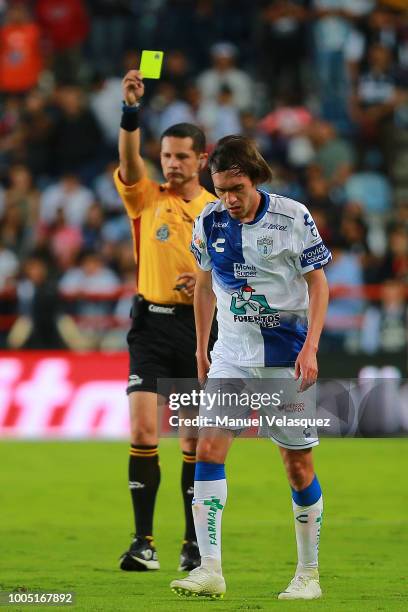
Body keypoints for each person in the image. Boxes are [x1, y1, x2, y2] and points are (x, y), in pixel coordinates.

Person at [170, 135, 331, 600]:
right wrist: (203, 348)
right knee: (208, 450)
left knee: (297, 465)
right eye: (221, 189)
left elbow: (318, 286)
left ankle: (308, 575)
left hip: (286, 357)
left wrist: (311, 348)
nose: (229, 199)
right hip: (232, 356)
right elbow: (202, 286)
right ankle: (211, 570)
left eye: (237, 188)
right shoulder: (208, 220)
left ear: (255, 177)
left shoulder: (292, 216)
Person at [113, 70, 215, 572]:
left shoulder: (220, 212)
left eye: (181, 157)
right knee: (143, 428)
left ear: (202, 159)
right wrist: (130, 109)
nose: (171, 164)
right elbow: (128, 158)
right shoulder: (145, 196)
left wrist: (209, 285)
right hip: (149, 326)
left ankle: (193, 545)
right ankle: (143, 541)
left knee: (194, 442)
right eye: (167, 155)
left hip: (200, 331)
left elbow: (242, 279)